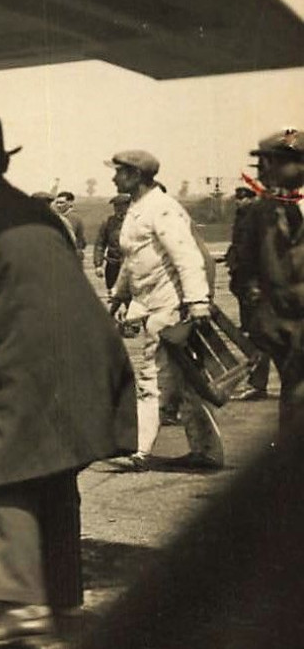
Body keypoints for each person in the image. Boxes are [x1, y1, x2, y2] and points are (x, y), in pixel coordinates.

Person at [0, 116, 135, 649]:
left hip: (28, 359)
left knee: (2, 471)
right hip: (89, 352)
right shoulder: (37, 210)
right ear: (4, 162)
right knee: (53, 472)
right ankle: (63, 602)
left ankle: (22, 609)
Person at [107, 149, 222, 472]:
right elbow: (133, 260)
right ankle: (207, 451)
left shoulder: (163, 209)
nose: (113, 178)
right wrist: (118, 297)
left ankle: (139, 450)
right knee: (185, 383)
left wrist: (198, 301)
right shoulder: (137, 209)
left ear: (135, 175)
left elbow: (186, 256)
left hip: (171, 307)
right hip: (152, 303)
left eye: (119, 172)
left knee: (152, 377)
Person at [242, 128, 304, 427]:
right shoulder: (260, 212)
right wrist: (259, 305)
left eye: (277, 161)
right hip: (282, 327)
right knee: (293, 396)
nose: (268, 169)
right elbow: (244, 268)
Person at [225, 186, 270, 401]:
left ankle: (258, 385)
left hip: (258, 288)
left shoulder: (260, 220)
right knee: (256, 335)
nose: (239, 202)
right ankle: (258, 384)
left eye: (244, 198)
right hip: (246, 286)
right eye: (238, 198)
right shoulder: (243, 219)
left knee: (262, 336)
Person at [92, 194, 130, 291]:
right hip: (113, 264)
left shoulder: (136, 221)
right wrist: (98, 265)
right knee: (112, 293)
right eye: (116, 206)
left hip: (131, 265)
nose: (118, 208)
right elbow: (100, 244)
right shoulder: (108, 222)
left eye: (121, 205)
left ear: (128, 206)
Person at [53, 192, 87, 258]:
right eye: (57, 203)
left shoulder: (76, 219)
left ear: (70, 203)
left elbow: (81, 240)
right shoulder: (54, 217)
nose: (58, 205)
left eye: (62, 202)